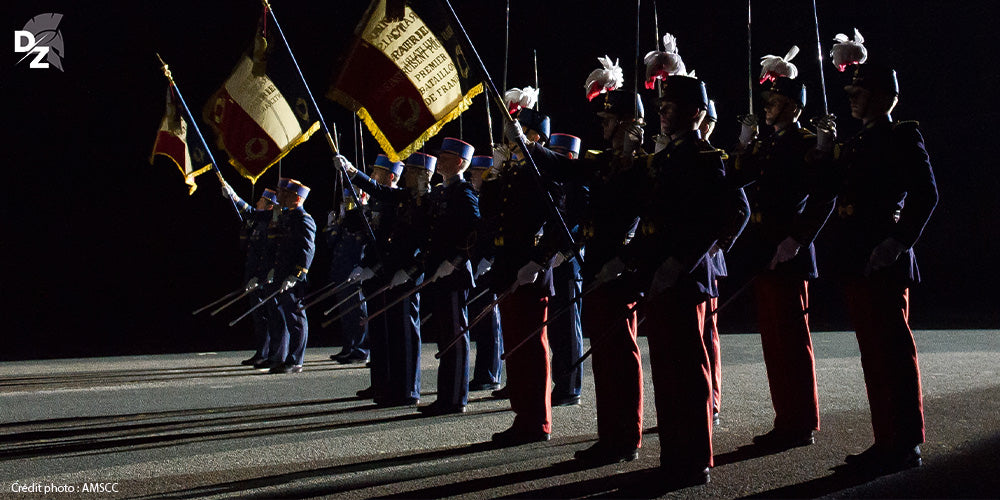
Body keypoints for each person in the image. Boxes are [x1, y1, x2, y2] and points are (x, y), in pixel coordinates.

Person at [614, 75, 740, 486]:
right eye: (662, 107)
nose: (663, 113)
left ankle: (696, 459)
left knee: (688, 373)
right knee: (667, 374)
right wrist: (630, 158)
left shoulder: (706, 157)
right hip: (658, 276)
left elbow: (716, 218)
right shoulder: (664, 158)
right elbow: (643, 210)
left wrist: (677, 263)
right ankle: (674, 456)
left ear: (697, 112)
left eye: (671, 107)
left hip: (684, 279)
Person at [817, 63, 937, 473]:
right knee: (874, 356)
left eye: (860, 92)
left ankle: (904, 443)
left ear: (886, 97)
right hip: (856, 259)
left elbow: (926, 193)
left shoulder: (901, 136)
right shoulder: (854, 144)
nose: (852, 97)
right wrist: (824, 151)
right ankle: (886, 438)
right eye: (851, 92)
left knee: (893, 355)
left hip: (883, 257)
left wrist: (898, 242)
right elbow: (827, 190)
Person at [730, 75, 833, 449]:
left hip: (787, 253)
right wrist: (743, 143)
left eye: (774, 102)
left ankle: (801, 422)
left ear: (793, 107)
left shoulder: (805, 143)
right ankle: (785, 419)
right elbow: (735, 179)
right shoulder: (767, 144)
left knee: (791, 342)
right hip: (764, 251)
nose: (767, 107)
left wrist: (798, 240)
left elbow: (824, 196)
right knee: (774, 344)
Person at [341, 152, 435, 407]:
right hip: (393, 272)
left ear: (424, 175)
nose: (407, 175)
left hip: (408, 274)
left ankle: (408, 390)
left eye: (413, 171)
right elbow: (380, 192)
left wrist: (412, 269)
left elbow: (427, 241)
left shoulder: (430, 201)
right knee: (393, 333)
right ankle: (393, 387)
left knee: (406, 333)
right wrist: (353, 173)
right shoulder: (405, 197)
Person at [418, 138, 481, 415]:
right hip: (439, 273)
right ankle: (446, 396)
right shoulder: (442, 192)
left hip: (453, 275)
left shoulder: (464, 192)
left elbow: (475, 231)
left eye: (445, 157)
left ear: (459, 162)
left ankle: (455, 398)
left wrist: (455, 261)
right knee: (445, 338)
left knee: (455, 338)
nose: (439, 160)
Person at [342, 154, 404, 399]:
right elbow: (356, 227)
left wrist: (376, 267)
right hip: (372, 270)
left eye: (376, 172)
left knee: (389, 333)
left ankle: (391, 383)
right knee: (377, 332)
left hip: (386, 271)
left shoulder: (396, 200)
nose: (372, 176)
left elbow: (391, 243)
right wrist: (351, 206)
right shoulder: (377, 201)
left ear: (390, 177)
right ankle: (379, 382)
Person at [544, 132, 586, 407]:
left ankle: (570, 387)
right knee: (557, 329)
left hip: (569, 264)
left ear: (569, 157)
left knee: (569, 329)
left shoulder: (577, 185)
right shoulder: (552, 183)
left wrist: (566, 253)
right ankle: (561, 382)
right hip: (552, 261)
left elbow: (582, 225)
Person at [221, 182, 279, 367]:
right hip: (254, 275)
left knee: (269, 316)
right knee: (259, 317)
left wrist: (235, 197)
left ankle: (272, 354)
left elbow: (268, 254)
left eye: (261, 201)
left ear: (270, 206)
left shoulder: (271, 222)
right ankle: (262, 352)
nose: (257, 203)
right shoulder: (258, 222)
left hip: (264, 277)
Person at [265, 178, 317, 374]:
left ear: (296, 198)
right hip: (281, 274)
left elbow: (307, 250)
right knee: (284, 316)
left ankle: (295, 360)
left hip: (293, 277)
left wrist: (296, 274)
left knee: (295, 318)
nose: (281, 197)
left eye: (285, 194)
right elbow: (279, 246)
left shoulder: (304, 219)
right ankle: (284, 356)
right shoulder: (287, 217)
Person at [465, 155, 504, 392]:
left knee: (489, 320)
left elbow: (496, 230)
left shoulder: (495, 198)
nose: (472, 175)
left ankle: (490, 373)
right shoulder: (479, 197)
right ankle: (484, 372)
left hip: (489, 265)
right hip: (477, 263)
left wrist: (489, 258)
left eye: (477, 171)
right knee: (480, 323)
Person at [324, 180, 371, 365]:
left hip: (356, 269)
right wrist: (332, 227)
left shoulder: (365, 216)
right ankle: (349, 346)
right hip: (342, 270)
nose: (347, 201)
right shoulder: (345, 218)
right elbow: (332, 243)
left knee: (357, 311)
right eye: (346, 198)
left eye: (351, 198)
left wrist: (361, 266)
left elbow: (366, 244)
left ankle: (361, 350)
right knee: (346, 313)